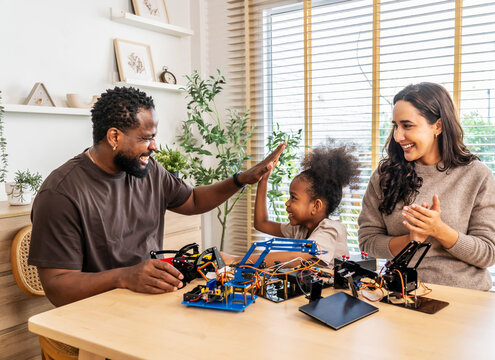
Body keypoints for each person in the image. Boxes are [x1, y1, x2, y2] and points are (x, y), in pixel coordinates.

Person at [28, 86, 285, 307]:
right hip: (96, 316)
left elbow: (193, 200)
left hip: (149, 301)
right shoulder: (61, 193)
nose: (154, 146)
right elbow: (57, 287)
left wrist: (241, 179)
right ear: (114, 136)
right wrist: (124, 277)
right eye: (146, 138)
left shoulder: (148, 170)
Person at [358, 82, 495, 291]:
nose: (398, 136)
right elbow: (368, 241)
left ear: (438, 126)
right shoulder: (384, 176)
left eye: (407, 126)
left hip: (464, 297)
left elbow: (487, 253)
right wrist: (410, 240)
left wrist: (438, 230)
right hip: (400, 293)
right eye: (395, 126)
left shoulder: (477, 176)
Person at [223, 143, 361, 268]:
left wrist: (236, 260)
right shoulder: (300, 229)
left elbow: (297, 257)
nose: (287, 203)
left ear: (316, 206)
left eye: (293, 198)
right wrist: (263, 180)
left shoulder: (331, 229)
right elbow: (261, 223)